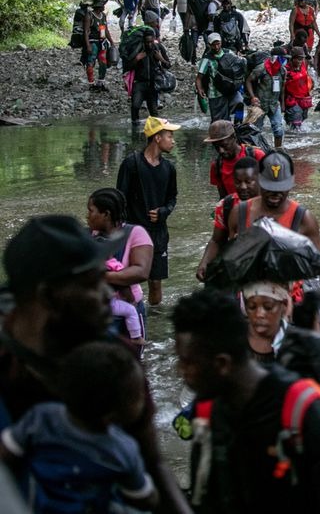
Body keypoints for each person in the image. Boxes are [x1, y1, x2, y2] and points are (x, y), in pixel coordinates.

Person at [0, 215, 190, 512]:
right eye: (92, 284)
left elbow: (151, 462)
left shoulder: (114, 362)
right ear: (48, 297)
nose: (107, 294)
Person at [172, 289, 320, 513]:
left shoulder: (305, 412)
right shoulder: (208, 413)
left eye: (186, 362)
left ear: (222, 364)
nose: (180, 371)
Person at [0, 341, 159, 513]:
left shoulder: (41, 417)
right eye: (139, 395)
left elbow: (7, 453)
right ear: (111, 415)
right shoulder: (123, 450)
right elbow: (144, 500)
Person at [224, 153, 320, 338]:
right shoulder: (239, 214)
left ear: (292, 182)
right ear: (260, 181)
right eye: (269, 188)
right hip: (250, 303)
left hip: (290, 301)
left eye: (281, 188)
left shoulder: (303, 219)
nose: (275, 194)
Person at [116, 117, 179, 307]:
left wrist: (164, 211)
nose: (173, 140)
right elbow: (120, 198)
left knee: (156, 282)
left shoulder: (169, 168)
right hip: (133, 232)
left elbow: (172, 198)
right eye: (170, 136)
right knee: (129, 280)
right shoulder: (131, 164)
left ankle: (154, 318)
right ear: (157, 138)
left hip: (158, 232)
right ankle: (132, 317)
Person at [87, 187, 153, 346]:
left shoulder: (135, 233)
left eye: (91, 211)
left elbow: (141, 272)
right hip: (98, 310)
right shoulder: (88, 235)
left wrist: (97, 275)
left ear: (106, 214)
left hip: (128, 308)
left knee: (133, 362)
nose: (87, 216)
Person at [196, 156, 261, 281]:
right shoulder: (226, 205)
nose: (242, 187)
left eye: (248, 182)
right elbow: (217, 240)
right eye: (238, 182)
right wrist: (204, 263)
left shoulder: (272, 205)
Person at [204, 119, 266, 199]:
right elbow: (223, 197)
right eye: (216, 147)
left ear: (234, 137)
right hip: (236, 209)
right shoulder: (217, 166)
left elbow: (271, 187)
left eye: (224, 145)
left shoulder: (257, 156)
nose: (221, 150)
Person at [246, 45, 287, 148]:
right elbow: (248, 81)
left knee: (278, 129)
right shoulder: (262, 68)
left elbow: (282, 88)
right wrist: (252, 97)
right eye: (282, 58)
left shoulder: (282, 71)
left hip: (274, 105)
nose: (285, 61)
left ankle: (278, 150)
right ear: (275, 58)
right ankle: (256, 150)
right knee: (255, 130)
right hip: (260, 105)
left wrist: (282, 104)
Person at [241, 280, 290, 364]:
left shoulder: (297, 344)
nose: (259, 314)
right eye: (252, 307)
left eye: (268, 307)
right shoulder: (236, 340)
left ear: (284, 306)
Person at [129, 25, 170, 125]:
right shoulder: (138, 49)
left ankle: (155, 134)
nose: (149, 44)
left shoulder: (159, 48)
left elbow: (168, 65)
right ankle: (135, 128)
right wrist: (137, 59)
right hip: (139, 83)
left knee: (154, 112)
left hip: (153, 84)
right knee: (135, 106)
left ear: (154, 40)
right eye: (147, 42)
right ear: (143, 41)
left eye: (151, 42)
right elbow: (129, 66)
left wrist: (161, 59)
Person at [195, 33, 240, 122]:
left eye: (218, 44)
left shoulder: (229, 53)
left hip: (230, 89)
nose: (216, 47)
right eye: (213, 45)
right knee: (218, 120)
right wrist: (200, 89)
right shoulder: (206, 59)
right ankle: (218, 133)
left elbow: (238, 67)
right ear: (209, 45)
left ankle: (237, 125)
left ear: (221, 42)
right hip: (215, 93)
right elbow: (199, 77)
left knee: (239, 104)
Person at [82, 0, 114, 90]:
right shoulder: (90, 15)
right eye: (103, 4)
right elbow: (86, 31)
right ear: (99, 6)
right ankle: (91, 83)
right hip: (93, 42)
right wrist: (88, 45)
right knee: (91, 62)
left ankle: (100, 83)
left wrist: (111, 42)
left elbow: (105, 30)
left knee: (103, 63)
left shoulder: (103, 16)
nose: (104, 6)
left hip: (102, 42)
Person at [283, 46, 314, 130]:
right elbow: (282, 88)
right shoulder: (286, 71)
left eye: (301, 59)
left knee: (302, 118)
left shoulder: (303, 66)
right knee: (296, 124)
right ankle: (295, 141)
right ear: (292, 59)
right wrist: (282, 104)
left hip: (303, 99)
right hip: (292, 100)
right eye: (298, 59)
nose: (300, 61)